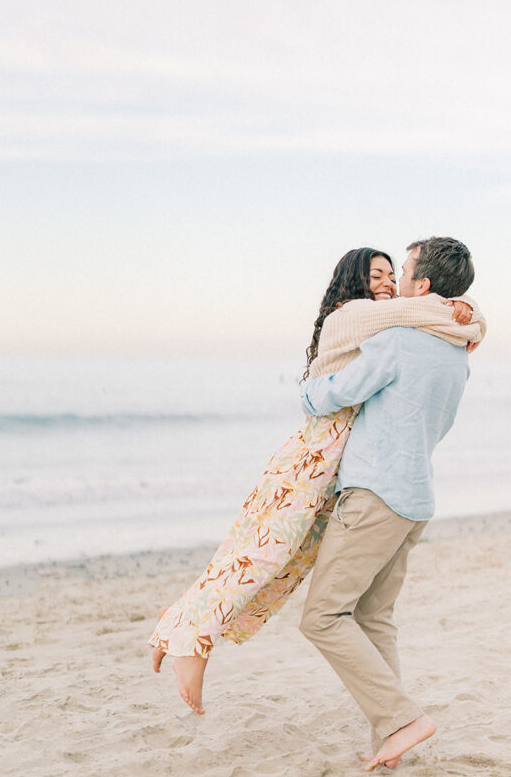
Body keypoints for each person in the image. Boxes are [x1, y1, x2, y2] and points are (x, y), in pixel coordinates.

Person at [148, 246, 485, 715]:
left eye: (397, 273)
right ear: (355, 282)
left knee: (281, 565)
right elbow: (428, 318)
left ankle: (184, 626)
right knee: (264, 555)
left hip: (353, 472)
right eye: (379, 275)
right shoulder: (373, 321)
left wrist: (458, 311)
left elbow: (354, 375)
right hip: (340, 465)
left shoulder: (398, 328)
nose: (390, 283)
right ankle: (191, 636)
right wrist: (466, 314)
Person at [299, 237, 477, 772]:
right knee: (375, 618)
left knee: (323, 617)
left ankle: (401, 719)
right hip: (416, 497)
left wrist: (310, 389)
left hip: (375, 493)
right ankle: (391, 736)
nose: (394, 283)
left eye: (401, 273)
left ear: (421, 287)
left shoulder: (398, 338)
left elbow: (331, 395)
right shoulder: (455, 351)